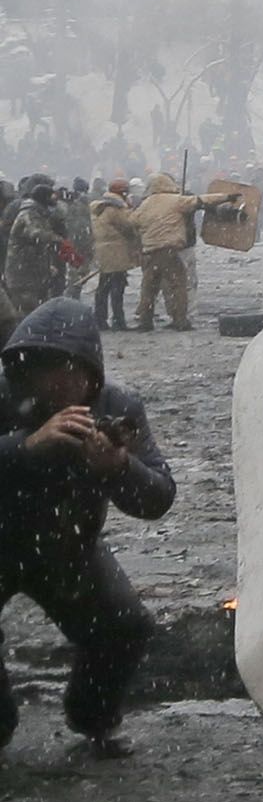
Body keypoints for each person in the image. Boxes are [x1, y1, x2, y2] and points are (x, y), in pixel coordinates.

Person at [0, 299, 175, 758]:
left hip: (66, 543)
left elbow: (158, 496)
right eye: (44, 370)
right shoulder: (2, 398)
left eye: (70, 371)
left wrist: (118, 467)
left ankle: (93, 719)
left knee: (125, 625)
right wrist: (25, 447)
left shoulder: (117, 407)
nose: (58, 383)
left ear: (90, 373)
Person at [129, 173, 236, 332]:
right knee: (178, 285)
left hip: (150, 253)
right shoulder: (175, 201)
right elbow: (201, 201)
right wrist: (226, 197)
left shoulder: (145, 204)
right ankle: (180, 320)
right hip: (170, 251)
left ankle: (145, 321)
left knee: (148, 288)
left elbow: (132, 221)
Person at [6, 183, 80, 320]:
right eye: (51, 197)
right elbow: (37, 234)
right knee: (27, 311)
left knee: (37, 308)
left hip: (33, 270)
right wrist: (59, 241)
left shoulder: (39, 213)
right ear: (44, 198)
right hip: (23, 273)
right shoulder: (29, 214)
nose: (54, 200)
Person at [90, 180, 139, 331]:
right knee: (117, 287)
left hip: (103, 251)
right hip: (116, 251)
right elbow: (129, 226)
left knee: (103, 287)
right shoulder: (115, 209)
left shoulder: (99, 207)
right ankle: (118, 320)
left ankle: (100, 319)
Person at [61, 179, 94, 300]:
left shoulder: (71, 203)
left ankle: (72, 295)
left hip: (75, 241)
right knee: (77, 273)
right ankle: (72, 296)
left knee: (76, 272)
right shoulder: (82, 204)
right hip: (79, 242)